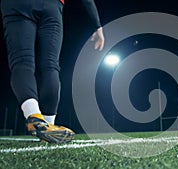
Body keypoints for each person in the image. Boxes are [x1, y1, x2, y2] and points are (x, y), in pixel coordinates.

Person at [0, 0, 104, 143]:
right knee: (50, 66)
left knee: (22, 62)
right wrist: (97, 25)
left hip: (18, 4)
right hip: (50, 5)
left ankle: (36, 117)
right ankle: (48, 125)